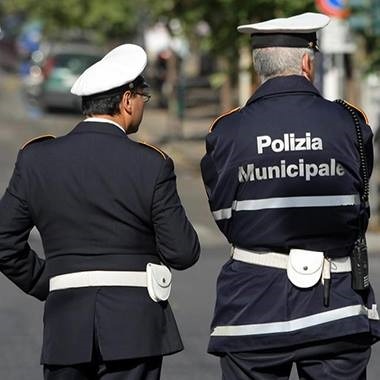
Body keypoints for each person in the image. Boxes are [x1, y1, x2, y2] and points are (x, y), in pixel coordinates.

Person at [0, 43, 200, 380]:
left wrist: (46, 282)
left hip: (66, 328)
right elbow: (182, 252)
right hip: (136, 333)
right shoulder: (151, 164)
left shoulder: (37, 160)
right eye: (142, 98)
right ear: (126, 101)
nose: (143, 106)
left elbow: (4, 241)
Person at [200, 12, 380, 380]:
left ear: (258, 66)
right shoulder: (350, 122)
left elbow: (224, 216)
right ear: (306, 62)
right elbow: (358, 205)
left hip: (252, 308)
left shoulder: (227, 131)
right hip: (337, 309)